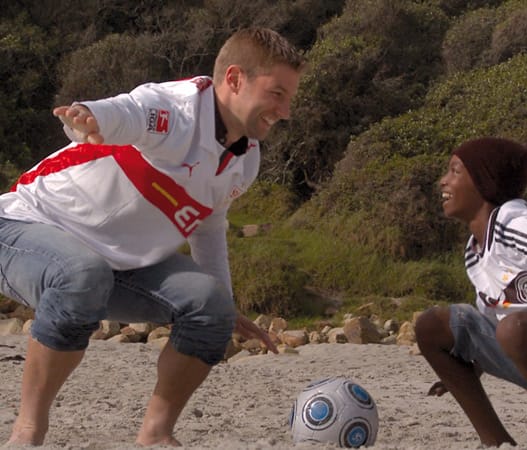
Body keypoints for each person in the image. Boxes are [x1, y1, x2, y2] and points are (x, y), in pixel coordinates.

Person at [0, 27, 306, 447]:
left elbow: (209, 223)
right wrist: (89, 117)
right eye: (277, 94)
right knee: (80, 273)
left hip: (116, 265)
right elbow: (128, 112)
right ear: (234, 79)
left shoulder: (245, 159)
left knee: (212, 307)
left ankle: (156, 435)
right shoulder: (177, 111)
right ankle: (27, 432)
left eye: (289, 98)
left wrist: (226, 304)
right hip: (25, 227)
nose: (285, 111)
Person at [415, 137, 527, 447]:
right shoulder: (475, 254)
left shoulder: (516, 222)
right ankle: (497, 443)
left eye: (454, 171)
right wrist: (467, 369)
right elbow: (487, 322)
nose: (442, 181)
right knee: (432, 326)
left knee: (516, 328)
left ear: (482, 181)